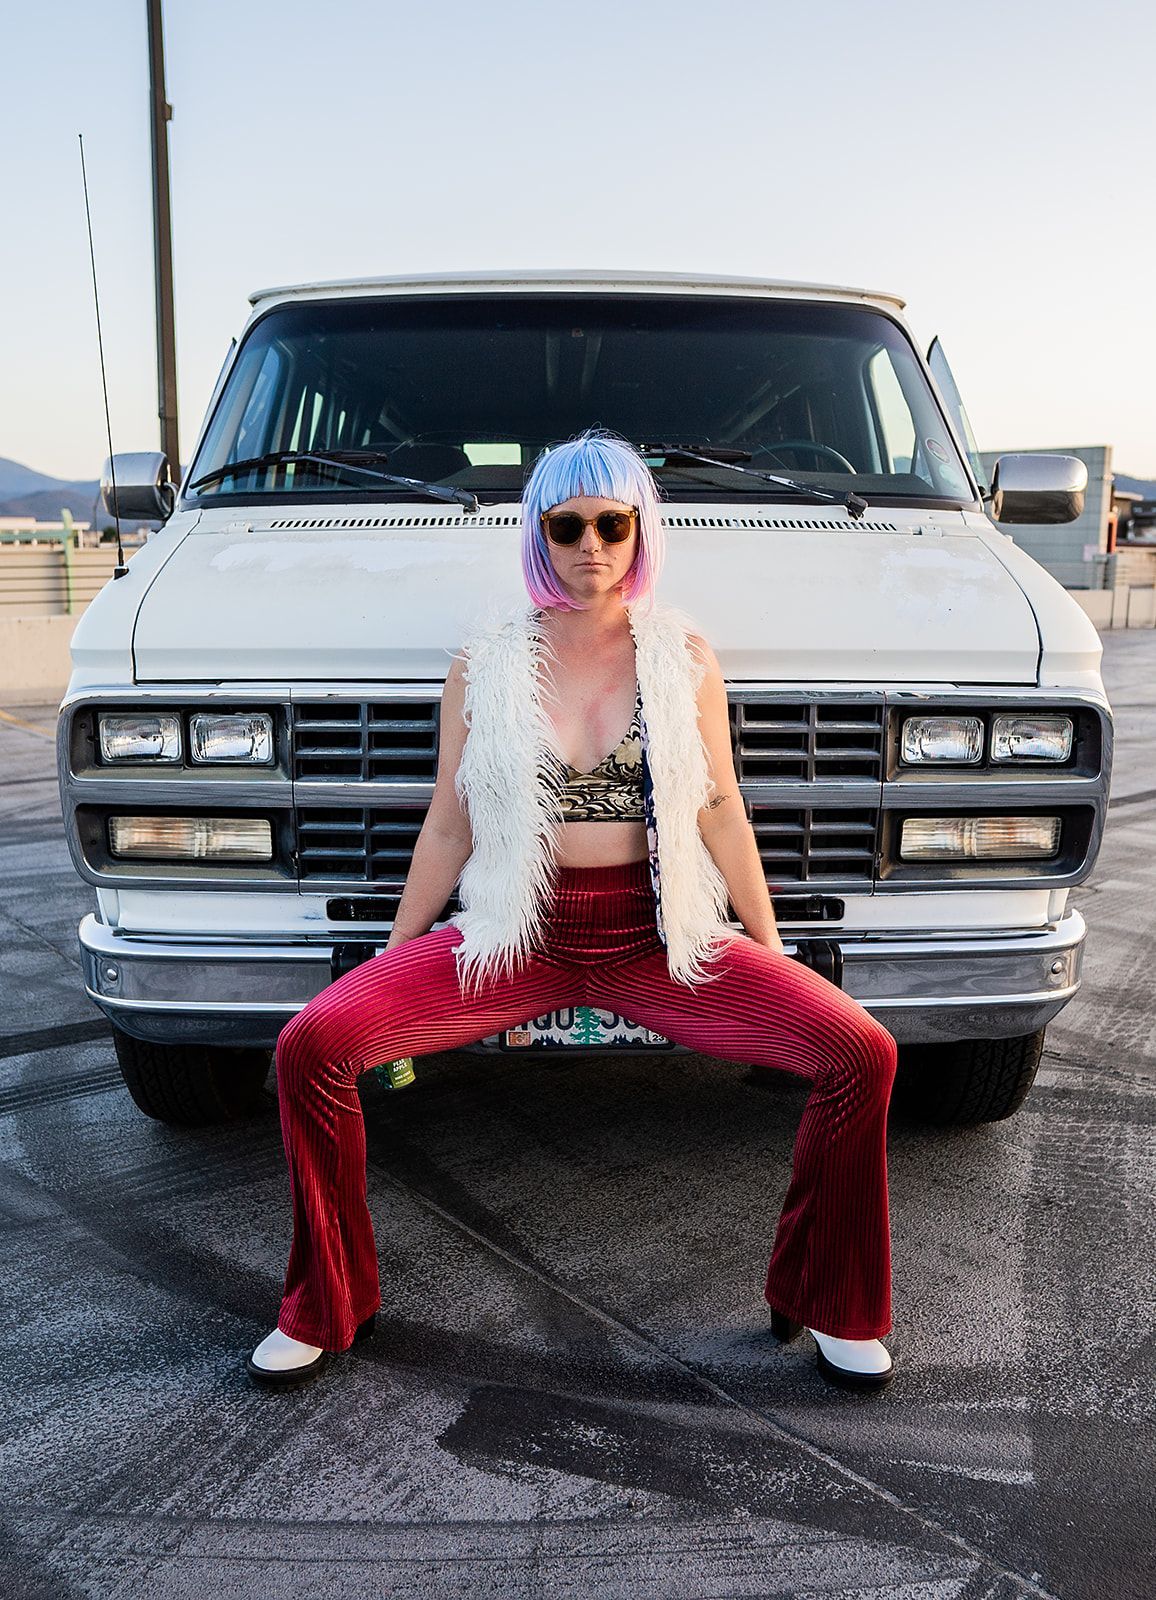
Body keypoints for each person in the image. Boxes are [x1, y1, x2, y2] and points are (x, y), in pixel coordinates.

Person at [247, 430, 899, 1393]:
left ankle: (829, 1298)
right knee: (311, 1047)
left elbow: (719, 803)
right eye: (566, 525)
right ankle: (326, 1301)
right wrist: (392, 958)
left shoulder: (682, 657)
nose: (589, 544)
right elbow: (449, 820)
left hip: (659, 937)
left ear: (641, 531)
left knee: (863, 1054)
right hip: (519, 937)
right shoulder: (486, 662)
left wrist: (772, 948)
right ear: (538, 535)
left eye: (612, 522)